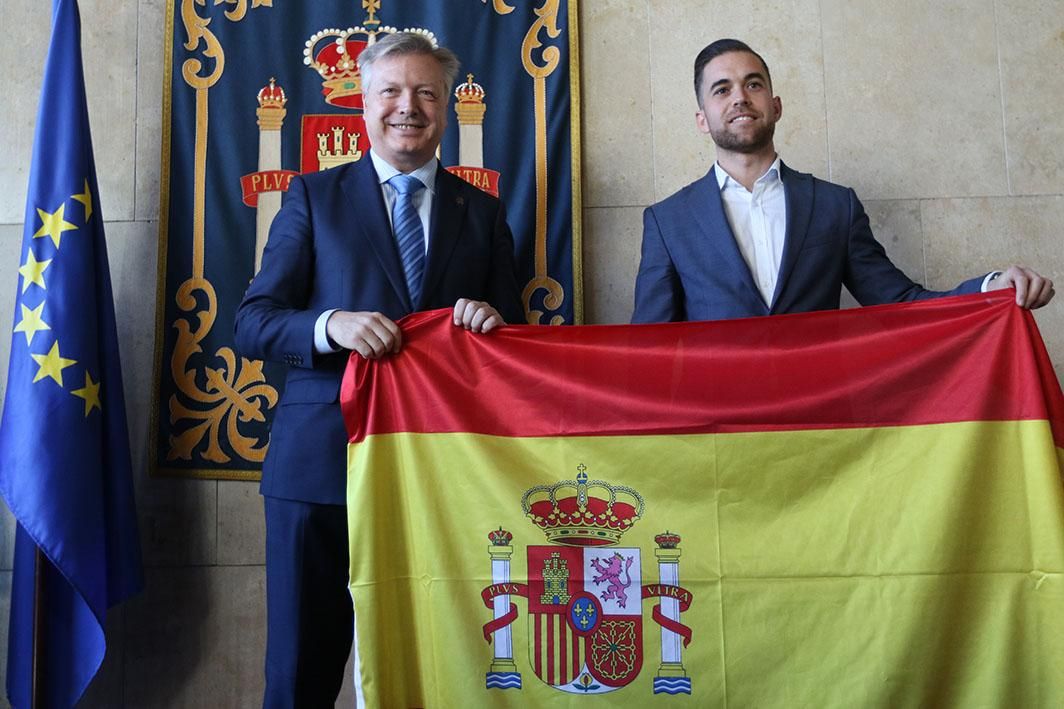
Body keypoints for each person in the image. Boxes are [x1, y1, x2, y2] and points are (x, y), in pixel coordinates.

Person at [234, 32, 524, 707]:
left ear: (446, 109)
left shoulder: (479, 212)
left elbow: (515, 339)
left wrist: (493, 327)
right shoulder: (312, 195)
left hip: (441, 475)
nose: (408, 107)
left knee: (436, 672)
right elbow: (252, 321)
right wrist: (327, 325)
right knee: (300, 674)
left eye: (426, 92)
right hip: (318, 470)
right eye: (391, 91)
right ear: (362, 105)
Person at [632, 38, 1054, 323]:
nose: (740, 96)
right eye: (722, 89)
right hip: (716, 439)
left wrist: (991, 288)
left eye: (753, 84)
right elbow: (649, 348)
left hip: (823, 431)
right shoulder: (668, 222)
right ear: (702, 119)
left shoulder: (836, 206)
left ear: (776, 105)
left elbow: (900, 304)